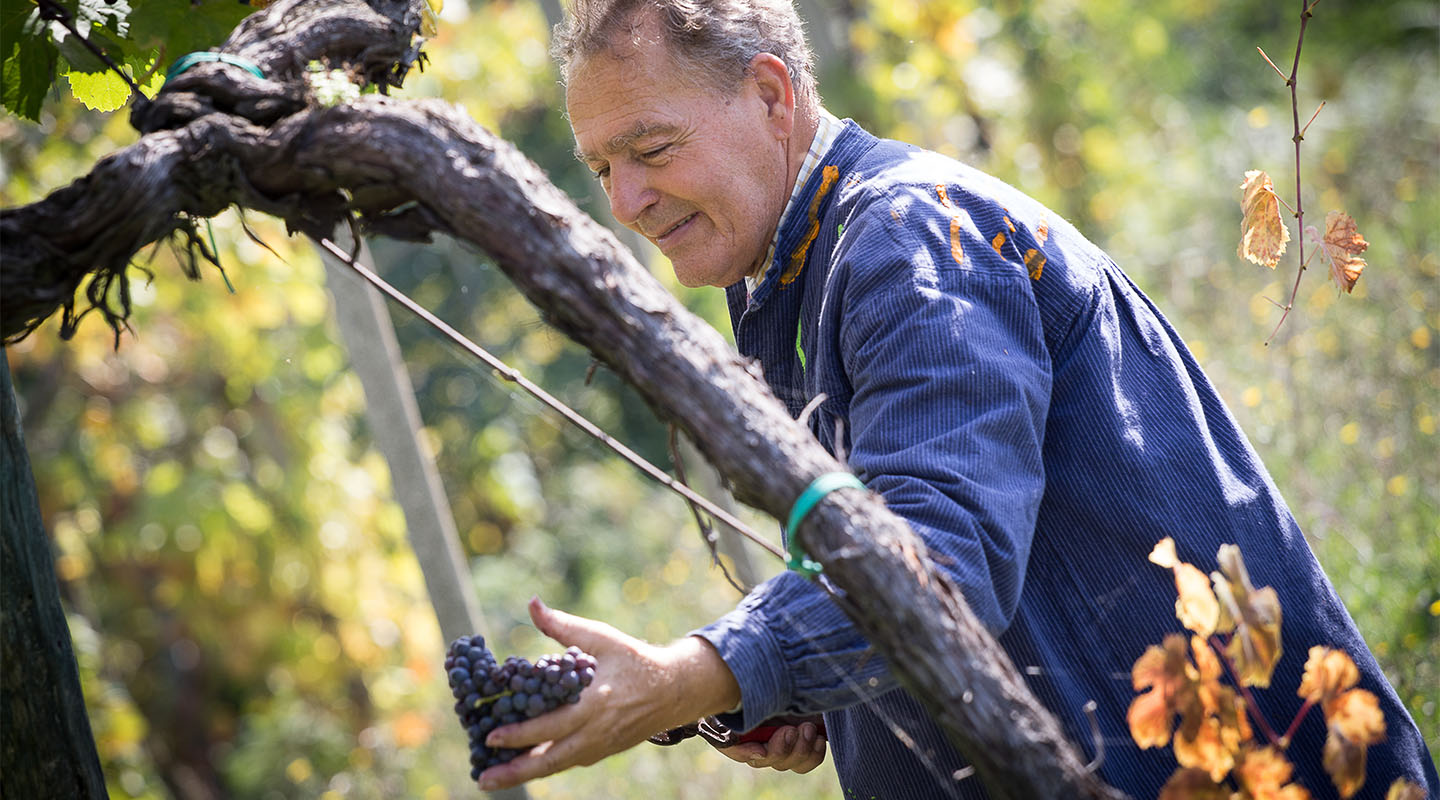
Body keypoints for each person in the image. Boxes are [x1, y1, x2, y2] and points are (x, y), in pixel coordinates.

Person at [475, 1, 1440, 797]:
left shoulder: (910, 242)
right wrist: (796, 688)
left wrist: (699, 671)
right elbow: (920, 583)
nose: (626, 202)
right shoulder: (789, 279)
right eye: (604, 167)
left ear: (770, 95)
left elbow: (940, 563)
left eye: (651, 148)